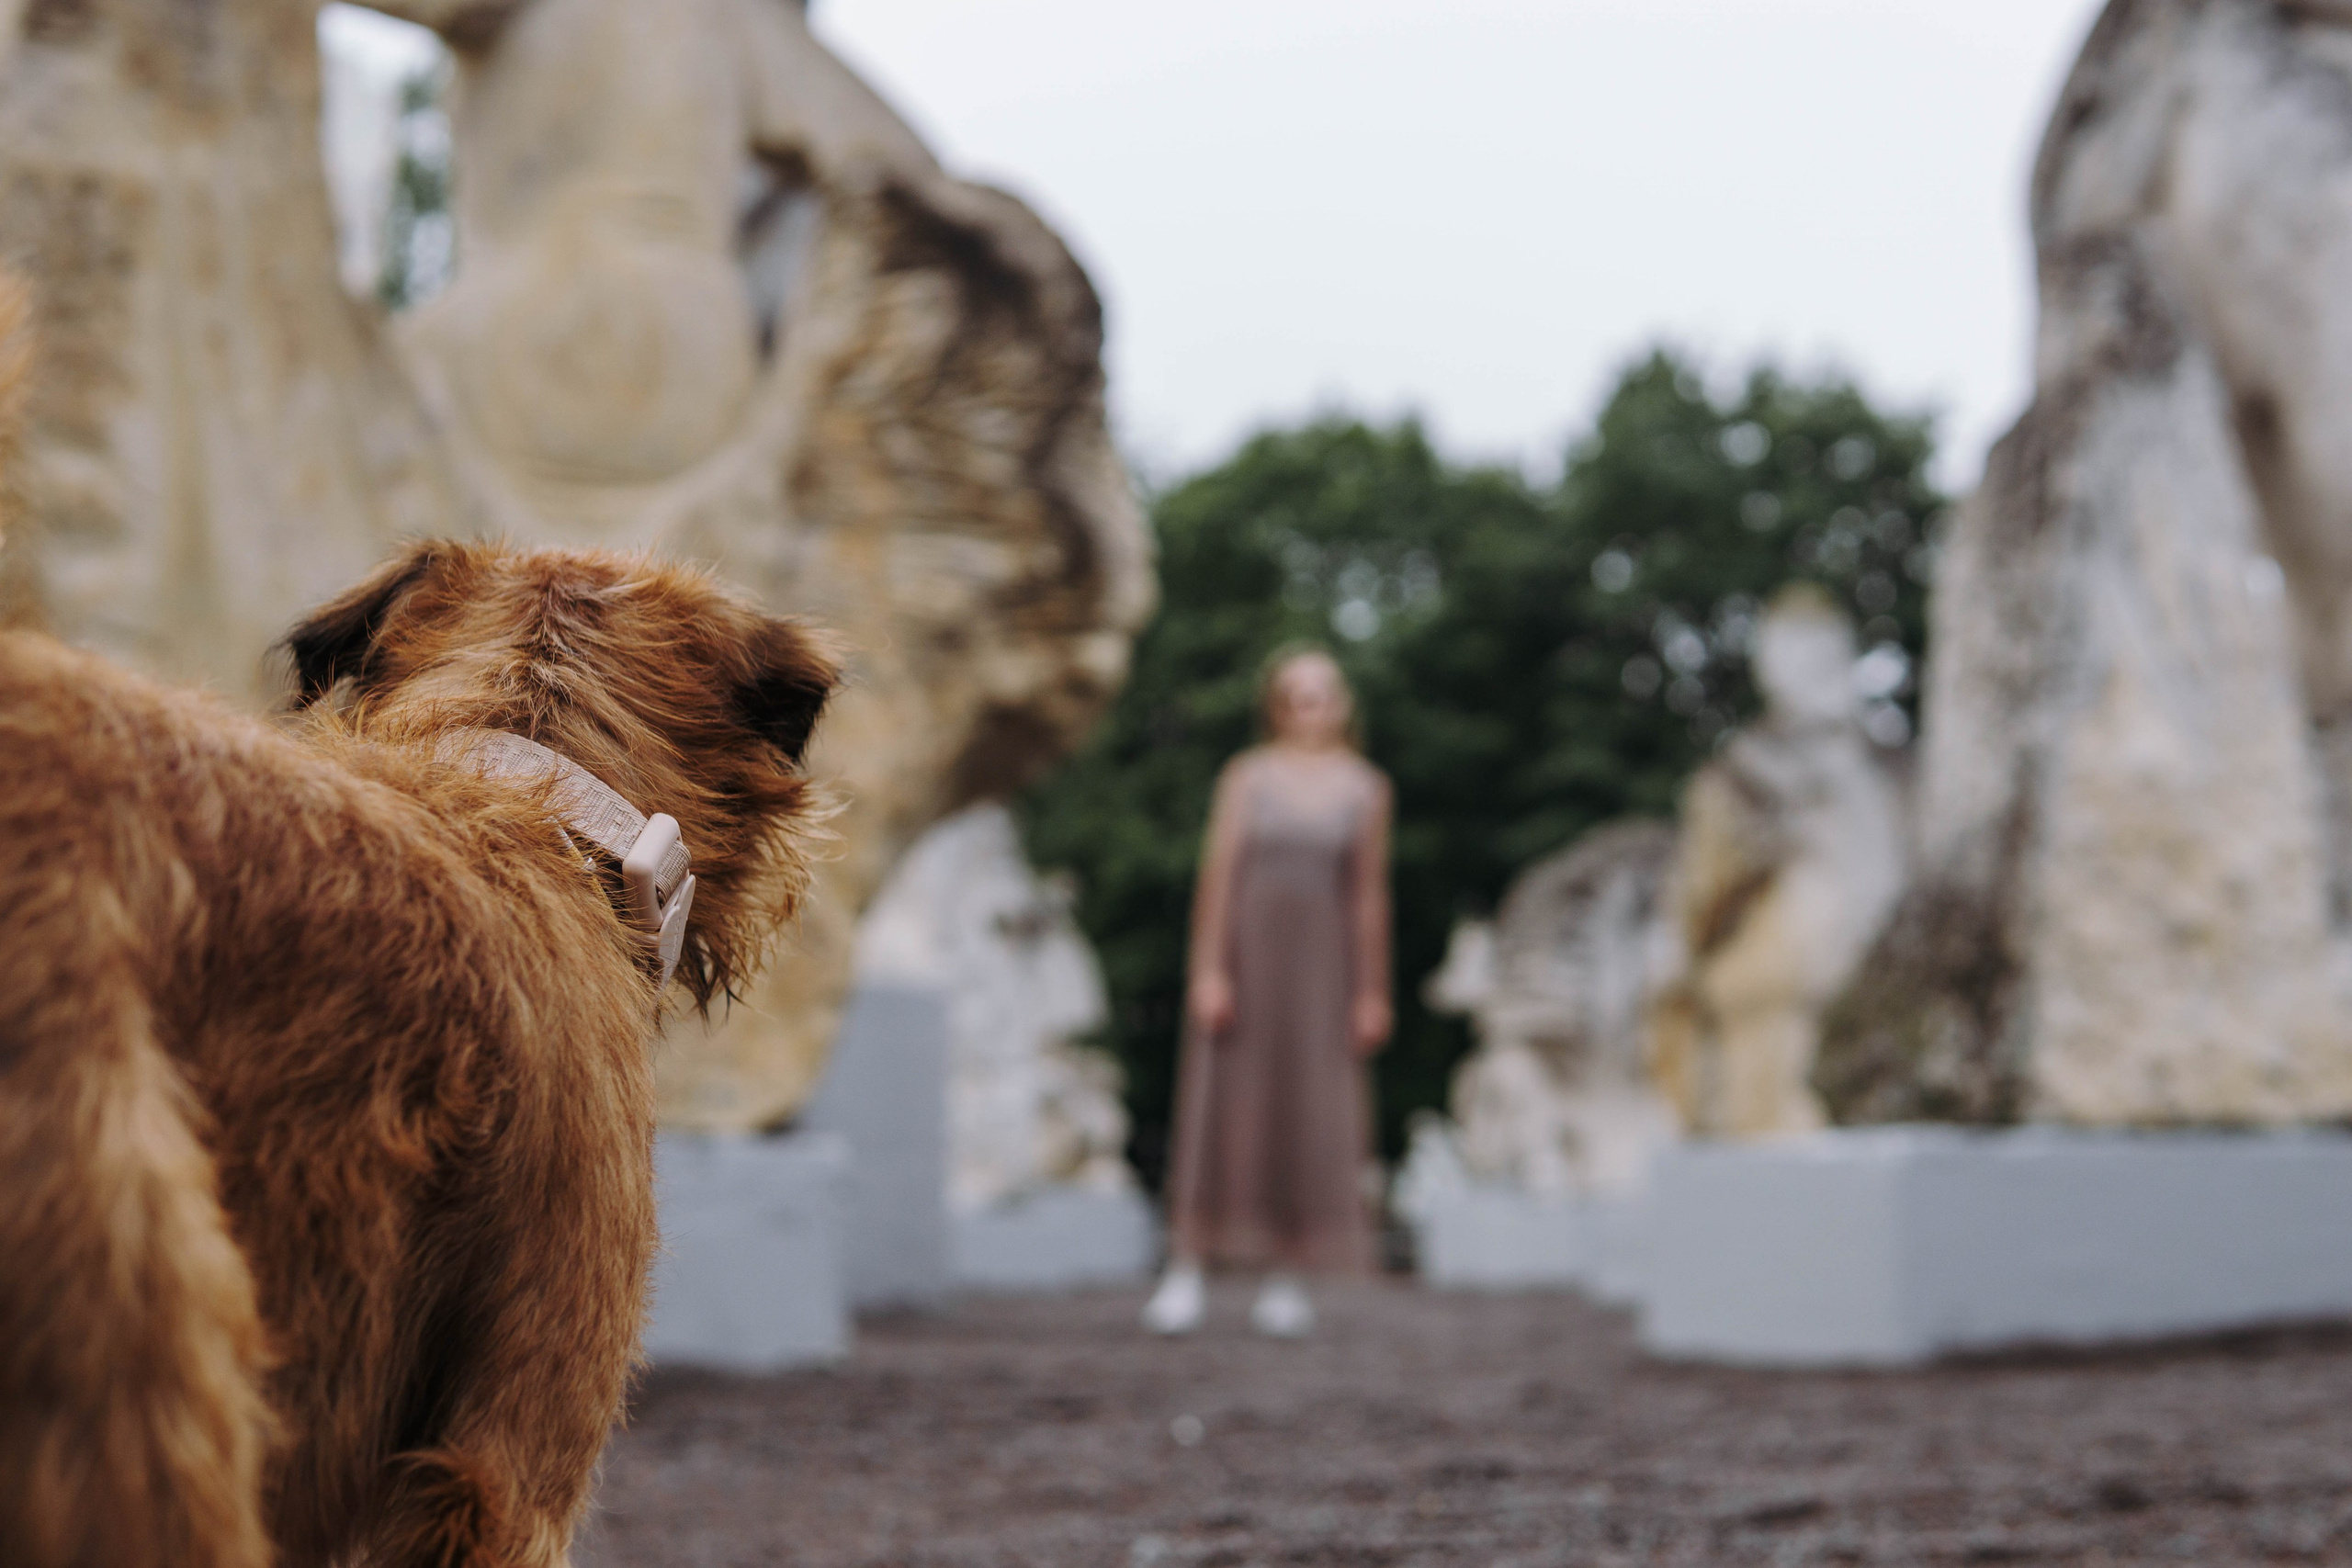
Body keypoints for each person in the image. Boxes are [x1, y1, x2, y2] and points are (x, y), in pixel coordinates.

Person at [1143, 646, 1394, 1337]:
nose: (1313, 706)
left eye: (1325, 693)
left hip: (1321, 977)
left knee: (1305, 1113)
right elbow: (1219, 876)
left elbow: (1368, 897)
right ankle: (1187, 1266)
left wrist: (1371, 991)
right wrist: (1209, 969)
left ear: (1342, 702)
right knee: (1221, 1105)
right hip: (1247, 966)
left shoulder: (1365, 788)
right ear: (1278, 706)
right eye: (1298, 694)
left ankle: (1286, 1275)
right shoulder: (1247, 778)